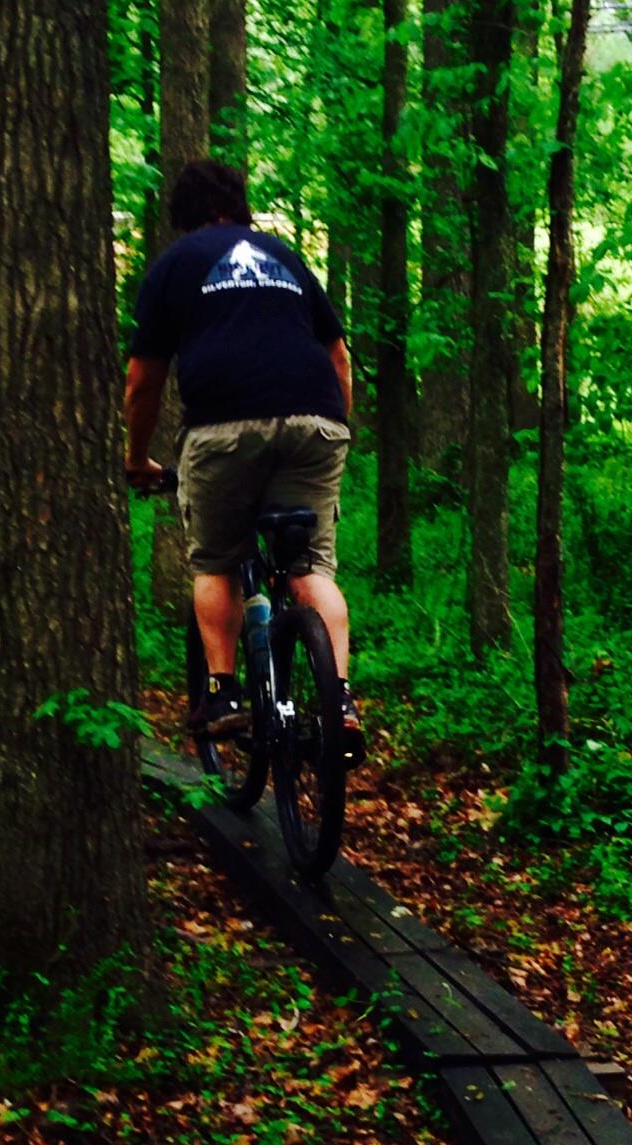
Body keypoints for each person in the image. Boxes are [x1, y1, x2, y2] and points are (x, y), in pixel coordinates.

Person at [124, 158, 363, 758]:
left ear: (183, 214)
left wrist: (136, 458)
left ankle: (224, 693)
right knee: (311, 571)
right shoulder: (284, 255)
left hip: (223, 429)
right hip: (316, 421)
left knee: (217, 562)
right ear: (239, 203)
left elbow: (142, 382)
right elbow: (339, 357)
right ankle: (340, 702)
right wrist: (336, 428)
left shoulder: (173, 265)